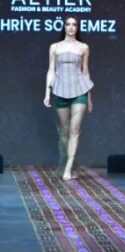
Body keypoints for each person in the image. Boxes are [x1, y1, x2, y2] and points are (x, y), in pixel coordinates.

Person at [43, 15, 93, 180]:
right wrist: (47, 92)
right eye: (68, 24)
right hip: (60, 90)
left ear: (77, 28)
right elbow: (51, 70)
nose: (71, 27)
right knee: (64, 132)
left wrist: (89, 97)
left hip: (79, 90)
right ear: (64, 27)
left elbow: (85, 72)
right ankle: (69, 161)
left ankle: (68, 167)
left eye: (74, 24)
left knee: (74, 129)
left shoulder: (83, 47)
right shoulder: (55, 47)